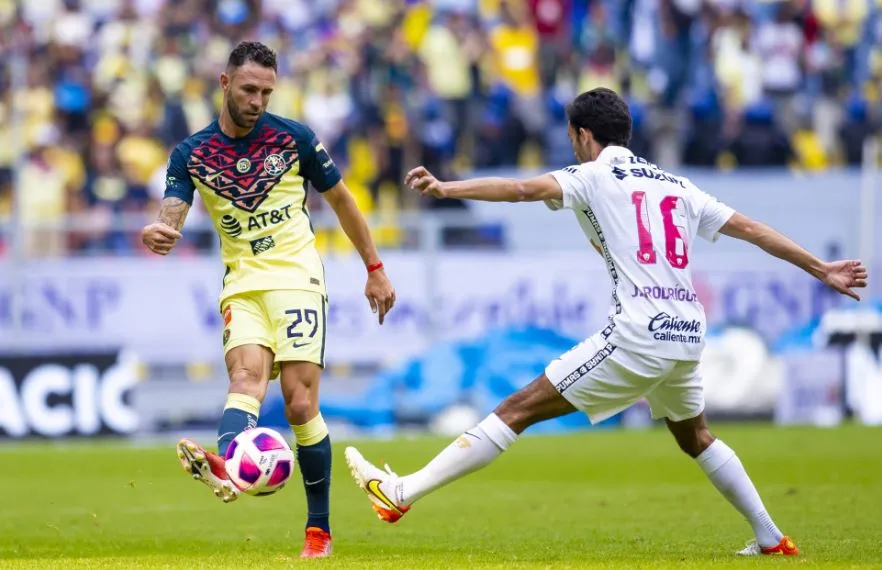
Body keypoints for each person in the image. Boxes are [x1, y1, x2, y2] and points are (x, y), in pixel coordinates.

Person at [344, 87, 869, 556]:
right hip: (686, 333)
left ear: (584, 135)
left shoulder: (592, 175)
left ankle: (400, 494)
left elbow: (524, 190)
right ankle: (771, 537)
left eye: (572, 137)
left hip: (638, 336)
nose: (572, 145)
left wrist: (447, 188)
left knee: (516, 407)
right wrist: (820, 268)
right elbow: (751, 229)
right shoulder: (676, 184)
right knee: (696, 437)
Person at [141, 41, 396, 559]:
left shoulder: (294, 139)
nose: (257, 100)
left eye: (266, 91)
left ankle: (318, 531)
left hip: (297, 277)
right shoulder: (190, 154)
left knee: (301, 405)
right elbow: (172, 213)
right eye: (248, 89)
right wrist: (161, 232)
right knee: (245, 383)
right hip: (242, 283)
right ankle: (231, 466)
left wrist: (375, 268)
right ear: (224, 83)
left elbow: (343, 201)